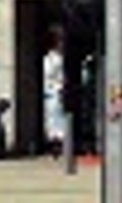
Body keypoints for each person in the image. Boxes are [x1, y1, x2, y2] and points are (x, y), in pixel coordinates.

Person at [43, 30, 73, 165]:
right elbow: (53, 77)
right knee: (55, 120)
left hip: (53, 93)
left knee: (56, 120)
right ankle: (57, 147)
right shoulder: (52, 59)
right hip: (53, 93)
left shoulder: (53, 59)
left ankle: (59, 147)